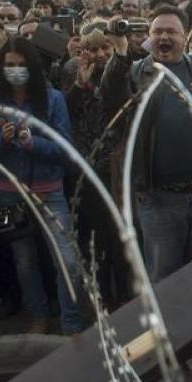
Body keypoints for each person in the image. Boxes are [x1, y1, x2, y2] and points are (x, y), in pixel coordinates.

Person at [100, 5, 192, 283]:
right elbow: (111, 95)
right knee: (164, 278)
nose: (164, 37)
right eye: (158, 31)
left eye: (171, 31)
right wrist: (121, 52)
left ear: (184, 37)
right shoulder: (135, 72)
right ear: (149, 38)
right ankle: (169, 328)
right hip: (159, 200)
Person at [0, 38, 83, 334]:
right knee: (25, 261)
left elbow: (64, 147)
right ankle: (38, 315)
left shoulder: (53, 99)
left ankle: (71, 322)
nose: (16, 70)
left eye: (21, 64)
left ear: (32, 66)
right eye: (10, 65)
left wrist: (33, 142)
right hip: (7, 195)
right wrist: (1, 140)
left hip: (49, 192)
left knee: (67, 262)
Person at [65, 25, 129, 308]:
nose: (101, 54)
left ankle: (128, 300)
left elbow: (118, 97)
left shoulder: (122, 74)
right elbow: (65, 111)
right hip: (89, 173)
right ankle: (103, 301)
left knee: (122, 242)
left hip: (118, 171)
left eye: (106, 48)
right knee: (96, 242)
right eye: (94, 49)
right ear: (84, 52)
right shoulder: (72, 74)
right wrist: (79, 86)